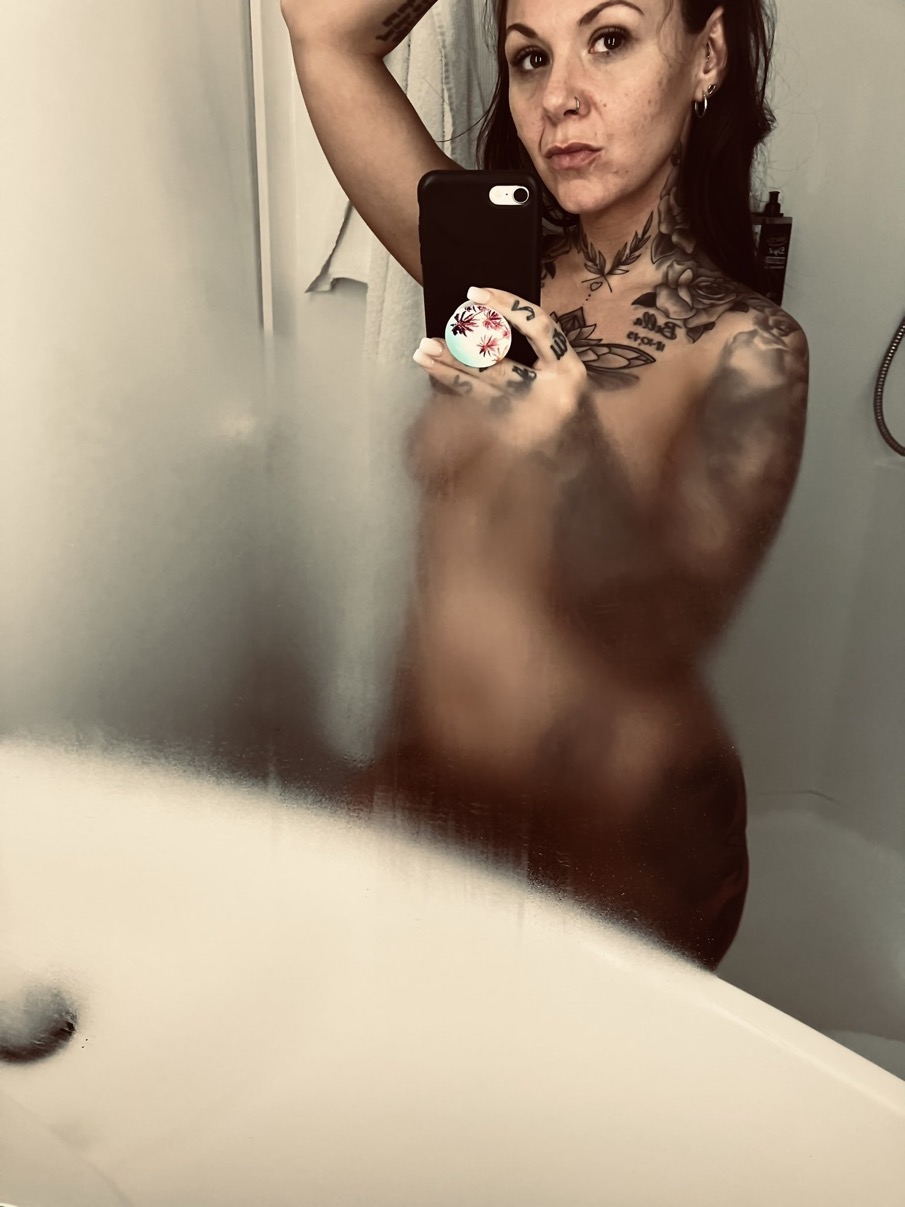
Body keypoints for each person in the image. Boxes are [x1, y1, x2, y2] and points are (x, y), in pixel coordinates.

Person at [281, 0, 809, 969]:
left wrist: (569, 447)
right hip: (440, 812)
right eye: (529, 57)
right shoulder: (489, 280)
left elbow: (662, 630)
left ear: (706, 57)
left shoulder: (747, 344)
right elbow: (325, 35)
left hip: (620, 858)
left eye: (607, 40)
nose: (558, 96)